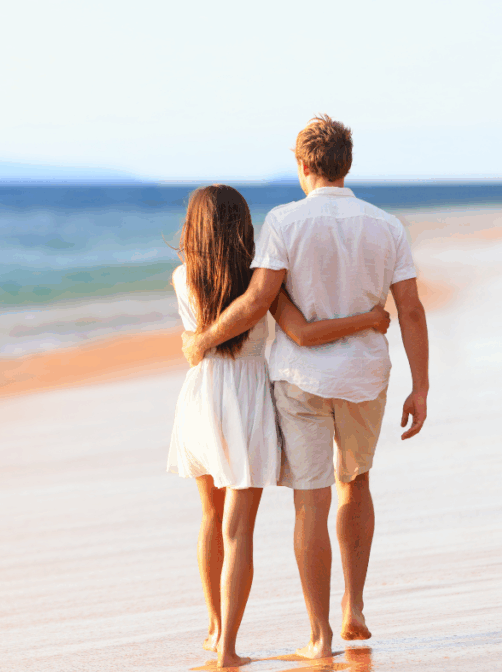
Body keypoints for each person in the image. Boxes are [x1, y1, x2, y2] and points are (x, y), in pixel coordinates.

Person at [181, 116, 430, 661]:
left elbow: (257, 300)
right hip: (365, 376)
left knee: (308, 502)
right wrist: (422, 387)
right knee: (357, 481)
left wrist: (203, 340)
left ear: (302, 165)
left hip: (300, 378)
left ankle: (319, 634)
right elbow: (409, 308)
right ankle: (354, 605)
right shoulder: (387, 225)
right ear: (347, 163)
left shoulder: (285, 221)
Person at [168, 184, 391, 669]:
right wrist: (371, 318)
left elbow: (194, 337)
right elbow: (302, 333)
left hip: (201, 397)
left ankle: (213, 627)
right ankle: (228, 646)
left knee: (211, 516)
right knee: (238, 527)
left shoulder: (182, 276)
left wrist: (198, 341)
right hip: (246, 398)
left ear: (193, 228)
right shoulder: (261, 281)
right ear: (242, 225)